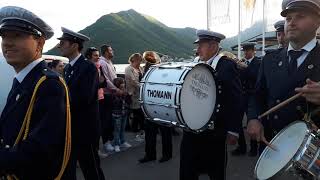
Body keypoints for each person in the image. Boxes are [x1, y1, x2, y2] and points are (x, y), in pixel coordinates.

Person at [0, 6, 71, 179]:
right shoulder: (24, 80)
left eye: (16, 35)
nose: (7, 42)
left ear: (39, 43)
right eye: (3, 36)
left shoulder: (48, 84)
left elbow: (40, 150)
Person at [247, 0, 320, 155]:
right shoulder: (269, 59)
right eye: (288, 19)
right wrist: (253, 118)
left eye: (300, 16)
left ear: (317, 22)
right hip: (273, 144)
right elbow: (258, 94)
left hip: (311, 152)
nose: (292, 23)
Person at [179, 30, 243, 180]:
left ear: (214, 46)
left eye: (201, 45)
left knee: (216, 172)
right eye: (198, 45)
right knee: (187, 170)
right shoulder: (195, 64)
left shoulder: (226, 66)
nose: (198, 49)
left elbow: (236, 98)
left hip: (215, 132)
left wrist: (234, 130)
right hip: (192, 130)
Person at [58, 27, 105, 180]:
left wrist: (58, 102)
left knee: (91, 168)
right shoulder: (68, 68)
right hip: (72, 128)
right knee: (69, 167)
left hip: (85, 129)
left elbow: (84, 98)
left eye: (63, 42)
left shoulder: (88, 67)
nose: (59, 46)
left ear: (74, 45)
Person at [138, 51, 173, 163]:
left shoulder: (164, 71)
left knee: (165, 131)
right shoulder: (147, 70)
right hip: (150, 105)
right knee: (149, 132)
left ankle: (167, 154)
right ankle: (150, 155)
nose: (149, 61)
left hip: (162, 105)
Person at [232, 42, 261, 157]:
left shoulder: (258, 63)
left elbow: (256, 77)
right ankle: (241, 147)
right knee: (237, 121)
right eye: (244, 51)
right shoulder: (243, 62)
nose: (246, 53)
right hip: (242, 96)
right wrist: (236, 67)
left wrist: (246, 68)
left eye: (248, 50)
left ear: (254, 51)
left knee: (252, 122)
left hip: (253, 97)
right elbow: (238, 79)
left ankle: (254, 148)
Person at [85, 47, 109, 158]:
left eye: (98, 55)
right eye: (95, 55)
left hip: (100, 97)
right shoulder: (87, 68)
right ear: (89, 56)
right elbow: (89, 87)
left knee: (99, 125)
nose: (98, 57)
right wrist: (99, 83)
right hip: (92, 100)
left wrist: (100, 83)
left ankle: (96, 149)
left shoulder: (98, 67)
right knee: (93, 127)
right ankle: (93, 151)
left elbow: (104, 83)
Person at [99, 44, 123, 152]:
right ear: (105, 52)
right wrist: (116, 89)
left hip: (112, 94)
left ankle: (113, 140)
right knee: (106, 119)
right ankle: (106, 142)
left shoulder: (109, 62)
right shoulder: (102, 63)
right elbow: (106, 80)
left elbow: (113, 77)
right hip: (106, 95)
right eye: (110, 50)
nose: (112, 51)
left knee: (111, 119)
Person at [125, 53, 144, 136]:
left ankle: (137, 127)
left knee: (138, 110)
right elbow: (133, 81)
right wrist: (142, 87)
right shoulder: (128, 69)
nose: (140, 63)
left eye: (140, 61)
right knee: (136, 110)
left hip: (139, 92)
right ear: (134, 60)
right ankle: (134, 128)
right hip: (132, 92)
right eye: (139, 61)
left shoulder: (140, 68)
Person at [112, 77, 132, 152]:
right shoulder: (114, 93)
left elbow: (129, 102)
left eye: (124, 83)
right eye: (122, 83)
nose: (123, 84)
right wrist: (121, 95)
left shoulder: (125, 91)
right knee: (117, 129)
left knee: (122, 129)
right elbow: (115, 103)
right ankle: (116, 144)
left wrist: (128, 96)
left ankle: (122, 141)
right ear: (117, 84)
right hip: (117, 114)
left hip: (124, 112)